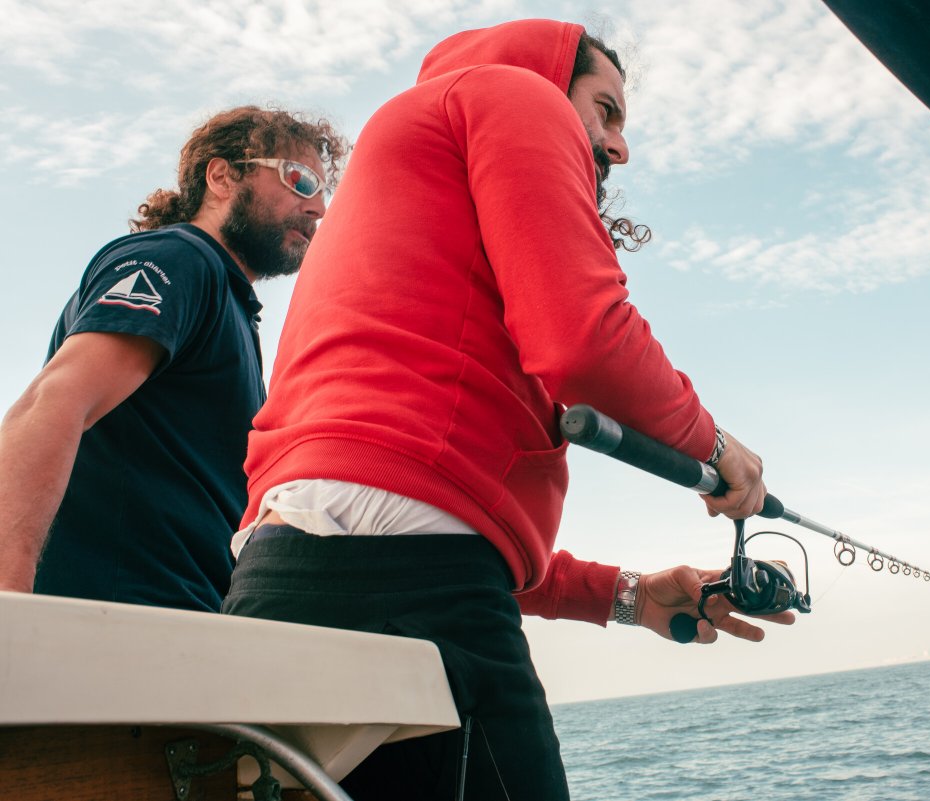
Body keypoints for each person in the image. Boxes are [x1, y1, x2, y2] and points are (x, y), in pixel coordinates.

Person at [221, 20, 791, 800]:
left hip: (273, 584)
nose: (619, 147)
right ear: (552, 75)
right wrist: (718, 448)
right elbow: (585, 343)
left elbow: (410, 506)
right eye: (607, 110)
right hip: (411, 589)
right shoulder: (512, 91)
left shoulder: (400, 224)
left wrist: (628, 597)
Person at [0, 106, 348, 612]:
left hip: (184, 628)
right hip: (116, 620)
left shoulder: (230, 305)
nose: (317, 208)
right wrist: (10, 604)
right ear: (223, 176)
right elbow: (50, 405)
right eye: (300, 180)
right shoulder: (180, 259)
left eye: (322, 193)